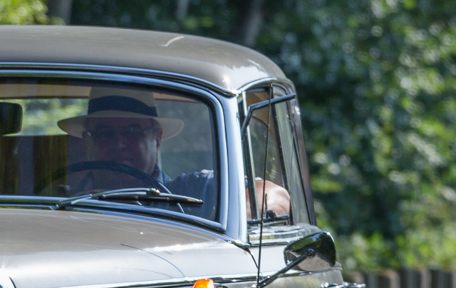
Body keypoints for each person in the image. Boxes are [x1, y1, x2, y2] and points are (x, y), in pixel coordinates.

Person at [57, 87, 290, 219]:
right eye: (104, 133)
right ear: (87, 142)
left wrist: (247, 211)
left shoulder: (194, 193)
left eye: (132, 131)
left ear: (156, 138)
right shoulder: (61, 203)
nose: (118, 143)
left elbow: (274, 194)